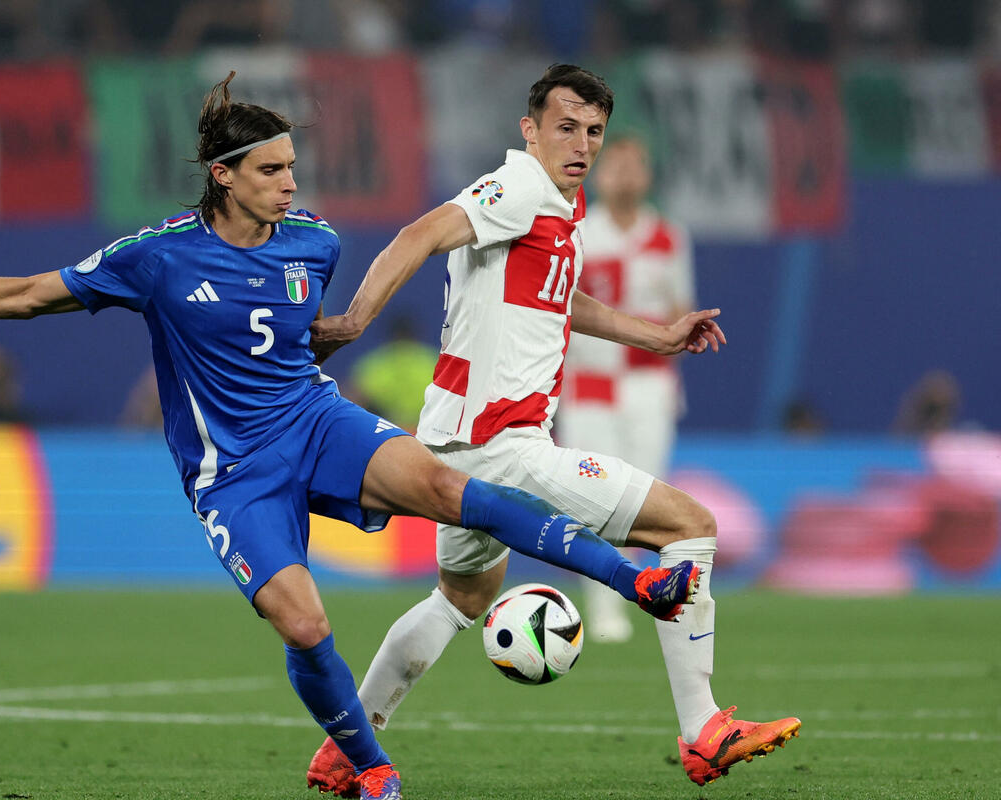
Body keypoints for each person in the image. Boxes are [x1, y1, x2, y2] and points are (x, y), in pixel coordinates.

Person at [0, 71, 700, 800]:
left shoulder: (314, 244)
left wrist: (342, 331)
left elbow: (302, 338)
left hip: (315, 421)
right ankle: (371, 769)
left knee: (451, 489)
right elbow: (33, 294)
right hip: (234, 472)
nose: (291, 184)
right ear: (224, 177)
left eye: (293, 167)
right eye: (271, 170)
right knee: (303, 624)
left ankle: (637, 581)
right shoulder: (159, 257)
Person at [304, 64, 801, 793]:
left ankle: (346, 749)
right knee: (689, 526)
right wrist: (353, 321)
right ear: (529, 130)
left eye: (594, 131)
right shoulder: (519, 187)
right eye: (566, 127)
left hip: (461, 443)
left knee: (461, 599)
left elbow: (561, 296)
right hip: (501, 443)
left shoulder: (560, 206)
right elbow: (420, 232)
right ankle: (704, 730)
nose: (582, 144)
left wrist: (656, 335)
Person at [558, 133, 696, 643]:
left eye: (634, 166)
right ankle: (605, 607)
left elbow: (681, 308)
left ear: (648, 175)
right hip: (590, 383)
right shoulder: (579, 232)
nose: (624, 176)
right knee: (593, 497)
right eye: (615, 166)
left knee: (649, 495)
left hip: (648, 381)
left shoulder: (668, 236)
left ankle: (657, 594)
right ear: (599, 174)